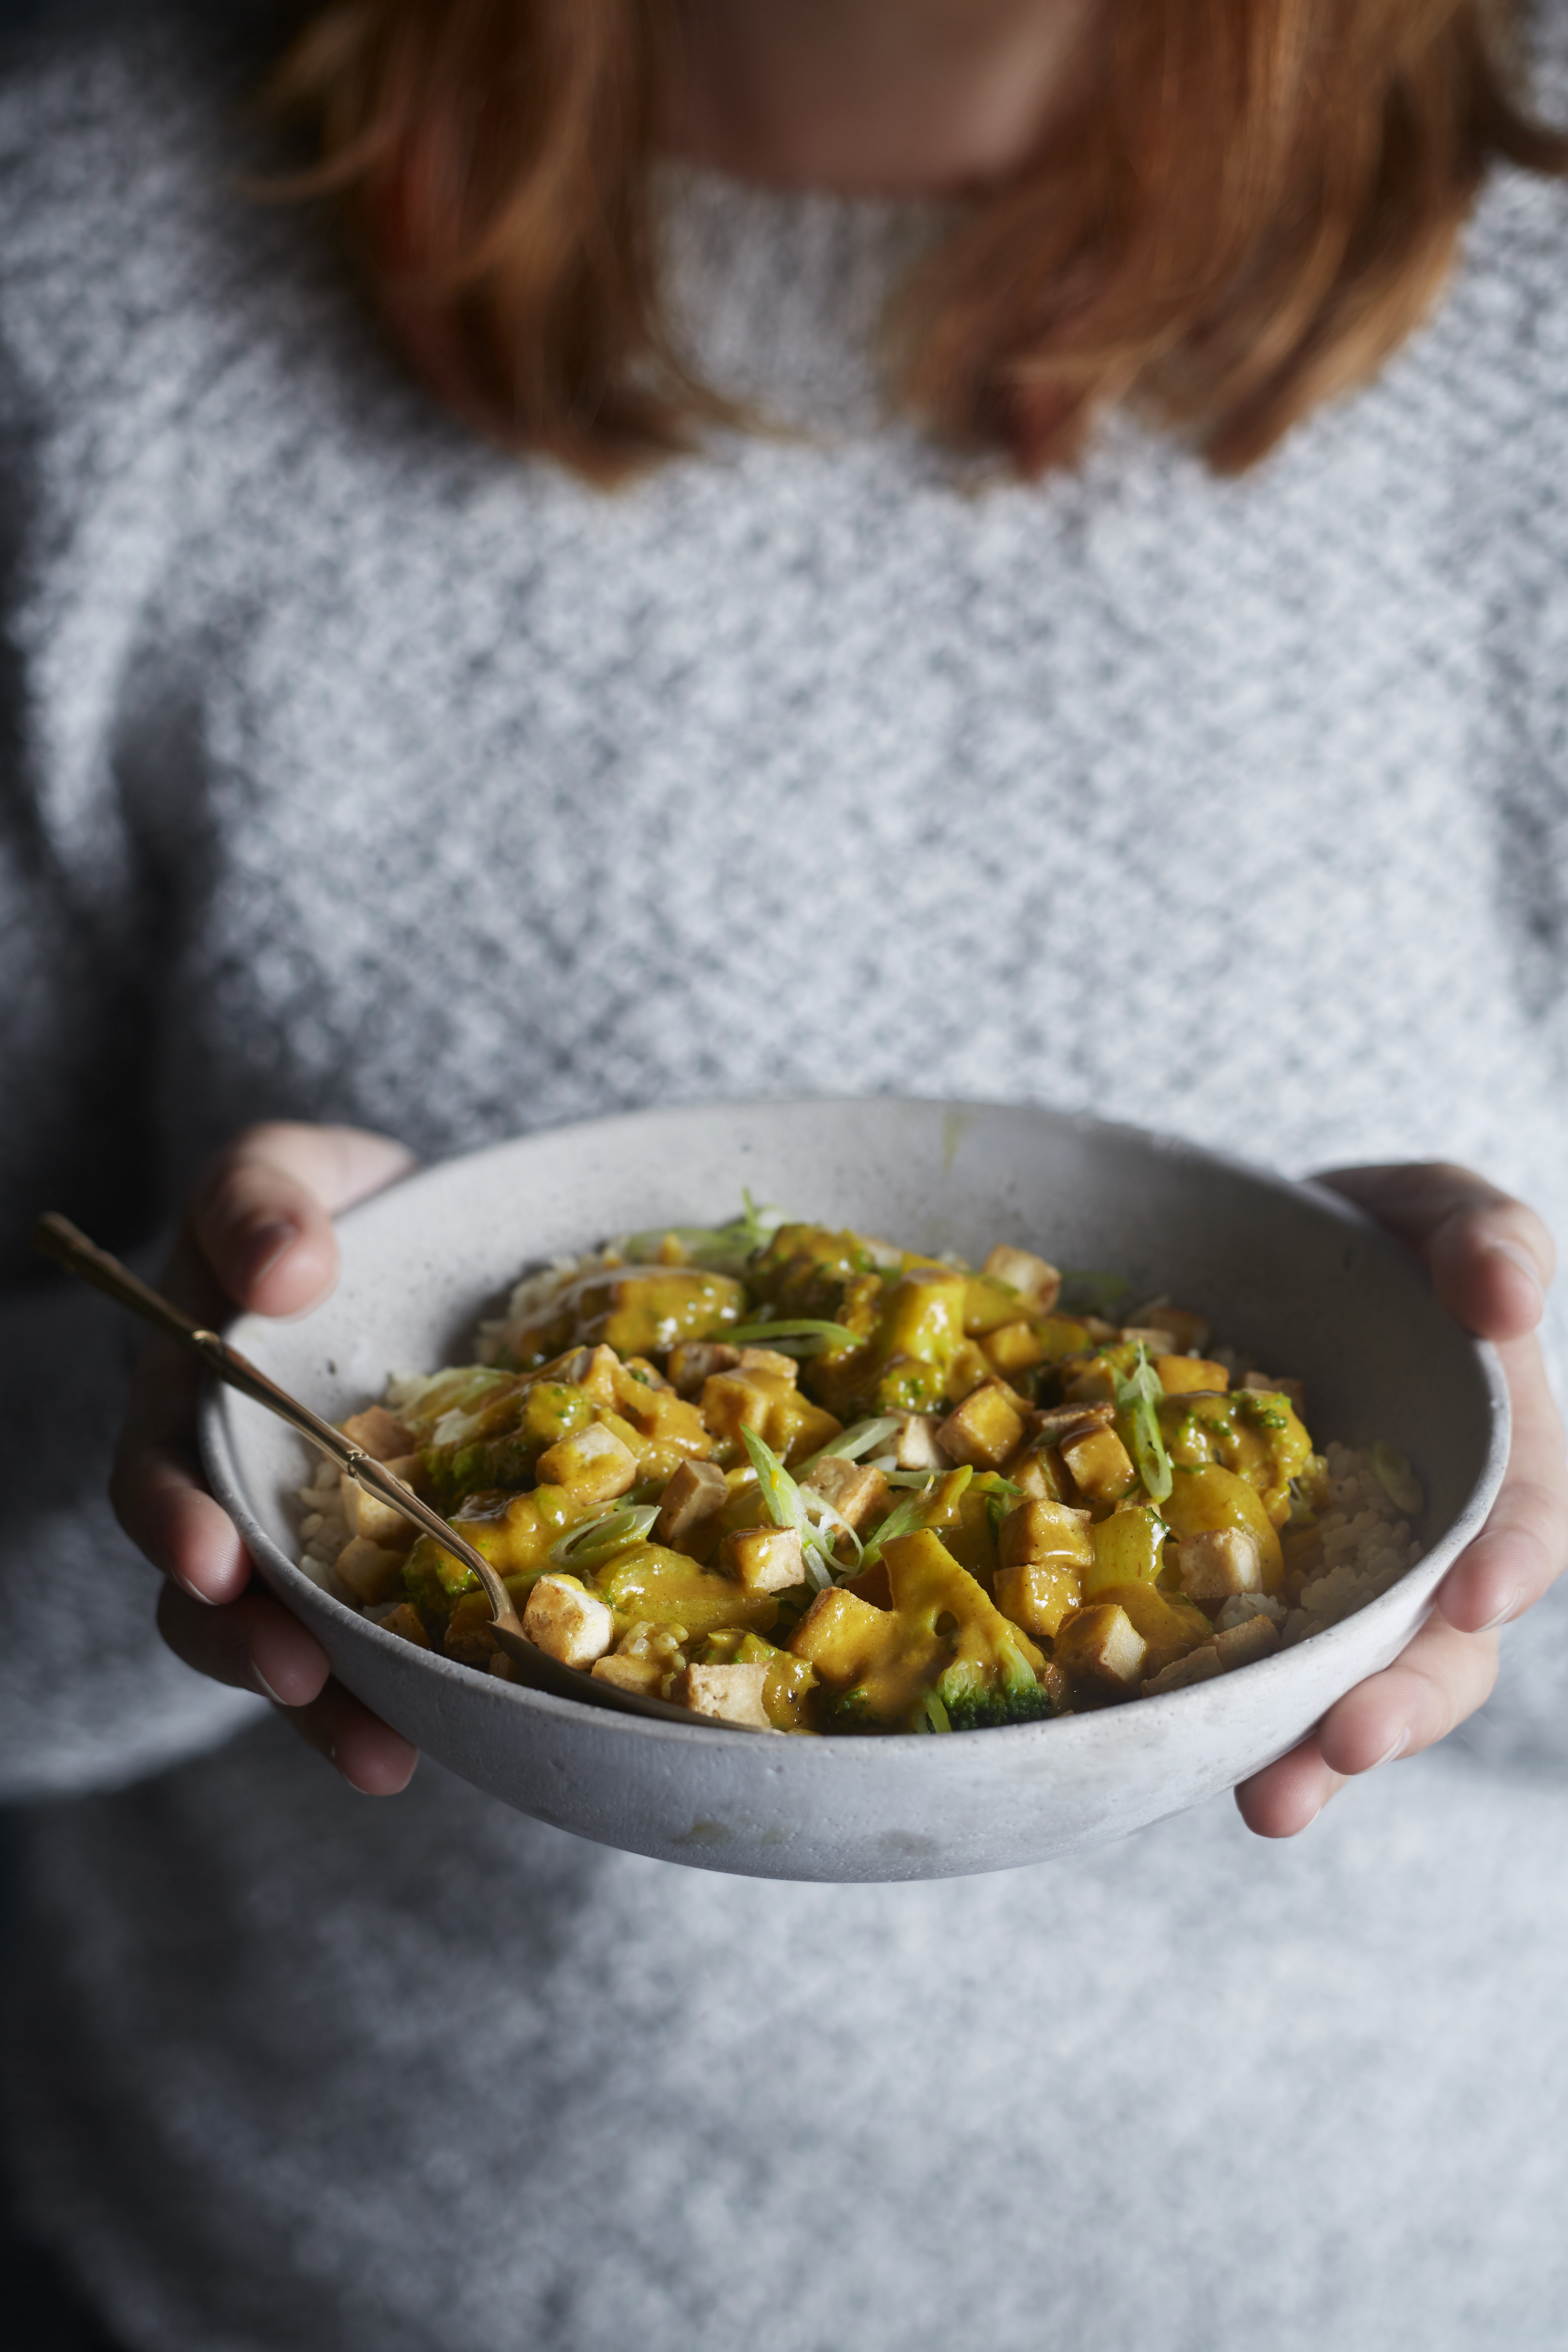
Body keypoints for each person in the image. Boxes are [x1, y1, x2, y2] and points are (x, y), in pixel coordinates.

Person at [3, 1, 1567, 2345]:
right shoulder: (77, 263)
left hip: (1387, 2270)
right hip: (291, 2264)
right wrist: (207, 1412)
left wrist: (1519, 1471)